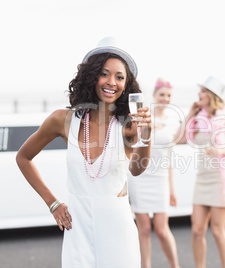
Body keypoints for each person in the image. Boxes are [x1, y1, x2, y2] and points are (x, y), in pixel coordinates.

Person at [16, 37, 151, 268]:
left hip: (117, 229)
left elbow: (137, 170)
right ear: (92, 75)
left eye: (120, 77)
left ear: (126, 85)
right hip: (77, 229)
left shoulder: (128, 124)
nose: (112, 82)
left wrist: (147, 135)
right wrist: (53, 203)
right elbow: (23, 157)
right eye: (105, 73)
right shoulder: (63, 120)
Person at [175, 76, 225, 268]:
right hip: (202, 179)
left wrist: (220, 151)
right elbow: (178, 138)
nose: (199, 94)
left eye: (203, 91)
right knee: (197, 231)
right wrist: (189, 114)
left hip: (220, 180)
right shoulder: (197, 118)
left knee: (217, 231)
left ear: (212, 96)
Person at [128, 78, 180, 268]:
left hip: (161, 179)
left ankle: (175, 265)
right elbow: (132, 145)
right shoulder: (144, 115)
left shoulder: (174, 121)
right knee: (144, 228)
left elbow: (170, 159)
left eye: (168, 95)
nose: (165, 99)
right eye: (162, 95)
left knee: (162, 229)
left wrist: (172, 190)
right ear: (155, 96)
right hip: (140, 177)